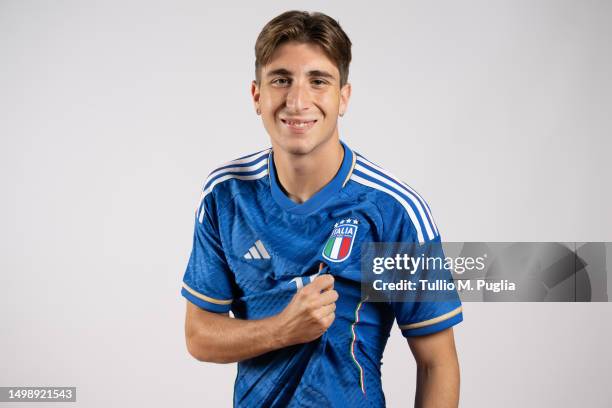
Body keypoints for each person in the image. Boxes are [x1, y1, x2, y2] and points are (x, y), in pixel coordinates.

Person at [181, 10, 463, 407]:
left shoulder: (393, 209)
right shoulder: (226, 195)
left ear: (342, 97)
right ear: (256, 96)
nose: (297, 101)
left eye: (318, 81)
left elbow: (437, 363)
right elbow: (199, 336)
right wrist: (283, 329)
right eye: (281, 80)